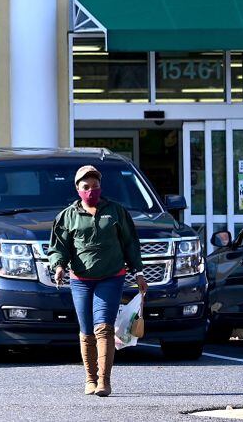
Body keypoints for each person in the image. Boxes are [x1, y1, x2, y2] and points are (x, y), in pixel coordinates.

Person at [49, 164, 147, 398]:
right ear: (77, 189)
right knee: (86, 331)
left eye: (95, 186)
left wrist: (139, 272)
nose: (91, 191)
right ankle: (90, 379)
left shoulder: (116, 211)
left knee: (103, 328)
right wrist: (59, 266)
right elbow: (58, 247)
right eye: (86, 187)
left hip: (111, 277)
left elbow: (130, 243)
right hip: (81, 280)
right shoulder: (67, 216)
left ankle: (104, 381)